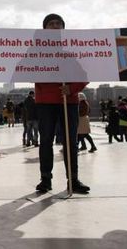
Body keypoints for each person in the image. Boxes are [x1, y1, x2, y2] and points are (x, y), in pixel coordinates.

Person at [34, 13, 90, 194]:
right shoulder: (35, 50)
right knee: (46, 141)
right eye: (51, 24)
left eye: (59, 23)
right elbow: (23, 70)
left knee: (70, 142)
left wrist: (72, 88)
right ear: (44, 29)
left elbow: (84, 76)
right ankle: (45, 179)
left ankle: (73, 179)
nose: (55, 26)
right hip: (45, 101)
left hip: (68, 101)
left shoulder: (70, 49)